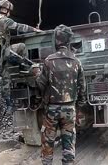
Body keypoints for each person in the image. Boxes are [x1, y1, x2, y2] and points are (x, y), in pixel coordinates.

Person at [34, 25, 86, 165]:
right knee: (68, 144)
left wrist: (37, 74)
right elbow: (82, 89)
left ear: (56, 41)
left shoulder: (49, 61)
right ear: (69, 41)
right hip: (70, 110)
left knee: (48, 143)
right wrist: (79, 108)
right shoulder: (77, 62)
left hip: (51, 110)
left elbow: (40, 85)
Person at [0, 0, 39, 110]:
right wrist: (35, 29)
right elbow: (20, 27)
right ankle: (24, 68)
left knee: (5, 77)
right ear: (7, 11)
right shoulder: (5, 21)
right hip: (4, 53)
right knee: (21, 47)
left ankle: (9, 104)